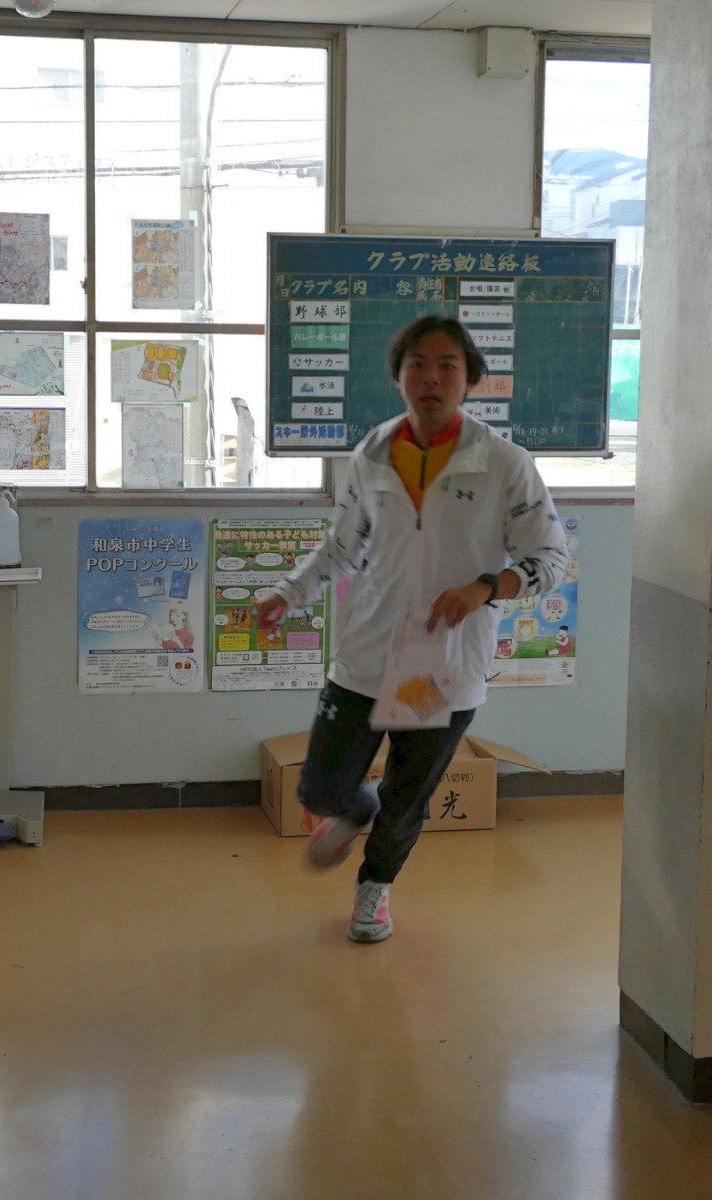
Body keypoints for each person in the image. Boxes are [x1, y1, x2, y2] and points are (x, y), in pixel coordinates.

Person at [255, 314, 569, 943]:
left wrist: (487, 588)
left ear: (470, 379)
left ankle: (374, 891)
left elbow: (550, 559)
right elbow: (342, 547)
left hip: (443, 660)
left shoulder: (504, 463)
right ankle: (353, 807)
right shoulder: (372, 453)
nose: (431, 377)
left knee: (407, 794)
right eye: (417, 364)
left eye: (447, 365)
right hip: (367, 649)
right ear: (397, 377)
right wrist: (289, 592)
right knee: (320, 789)